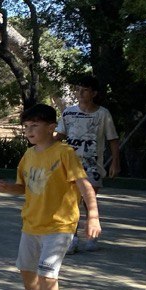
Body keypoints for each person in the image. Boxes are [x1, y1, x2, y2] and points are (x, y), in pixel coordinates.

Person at [0, 104, 101, 290]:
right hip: (31, 224)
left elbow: (85, 187)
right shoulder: (28, 156)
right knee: (26, 271)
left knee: (47, 275)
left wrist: (93, 217)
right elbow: (25, 187)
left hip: (59, 226)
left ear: (52, 127)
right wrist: (8, 188)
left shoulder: (64, 153)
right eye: (26, 126)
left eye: (35, 126)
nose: (29, 131)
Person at [54, 75, 119, 252]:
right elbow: (59, 136)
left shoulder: (103, 114)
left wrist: (115, 162)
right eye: (78, 89)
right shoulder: (68, 112)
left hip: (93, 165)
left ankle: (92, 235)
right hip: (71, 163)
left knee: (89, 200)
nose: (80, 93)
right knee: (71, 201)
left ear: (94, 93)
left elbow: (113, 139)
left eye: (85, 90)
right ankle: (72, 239)